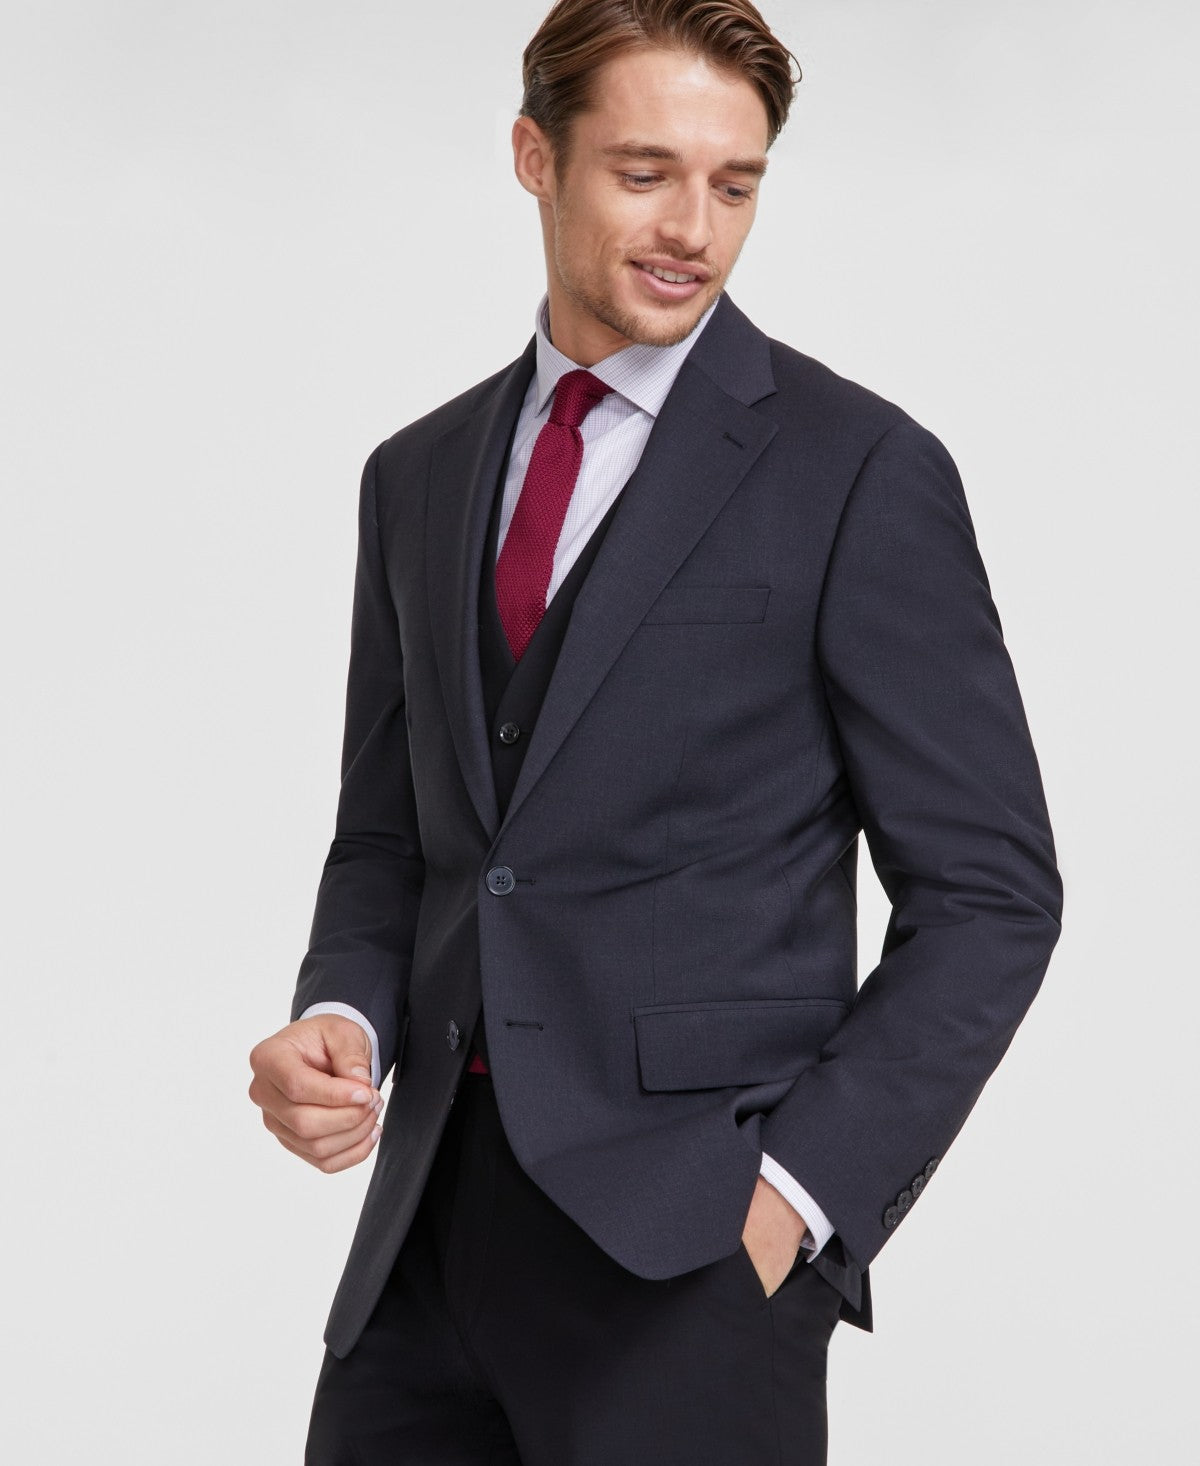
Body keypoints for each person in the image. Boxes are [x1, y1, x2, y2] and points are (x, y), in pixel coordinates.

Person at [248, 2, 1063, 1461]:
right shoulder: (416, 475)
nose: (695, 227)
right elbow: (392, 838)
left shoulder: (858, 470)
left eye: (735, 185)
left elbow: (993, 894)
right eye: (645, 173)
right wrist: (343, 1018)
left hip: (691, 1261)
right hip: (421, 1249)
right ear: (534, 158)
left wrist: (793, 1203)